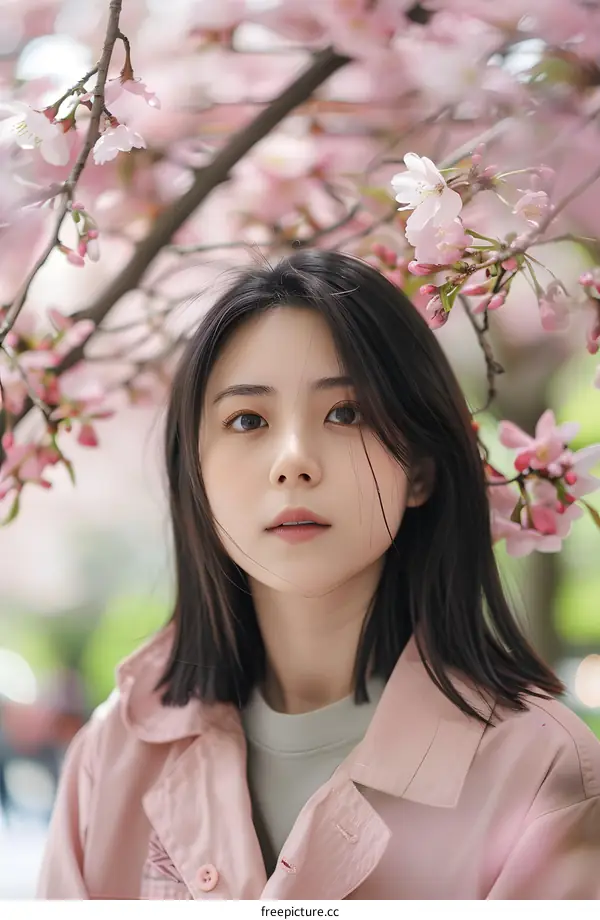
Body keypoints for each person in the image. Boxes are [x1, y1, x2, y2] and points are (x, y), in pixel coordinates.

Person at [37, 250, 600, 900]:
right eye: (247, 420)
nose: (294, 462)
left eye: (345, 413)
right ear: (195, 473)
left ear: (418, 469)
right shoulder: (111, 758)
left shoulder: (538, 771)